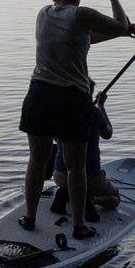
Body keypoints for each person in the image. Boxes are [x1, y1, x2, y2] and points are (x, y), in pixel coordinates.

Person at [18, 0, 130, 240]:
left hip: (40, 94)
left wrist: (118, 35)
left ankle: (30, 217)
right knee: (76, 166)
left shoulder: (43, 14)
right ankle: (79, 227)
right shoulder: (80, 14)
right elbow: (120, 24)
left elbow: (83, 38)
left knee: (36, 160)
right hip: (71, 98)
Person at [50, 89, 121, 221]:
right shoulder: (95, 113)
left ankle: (64, 193)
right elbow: (108, 134)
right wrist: (101, 106)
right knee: (115, 199)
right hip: (90, 176)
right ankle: (91, 199)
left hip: (59, 174)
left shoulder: (60, 112)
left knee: (70, 182)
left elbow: (55, 138)